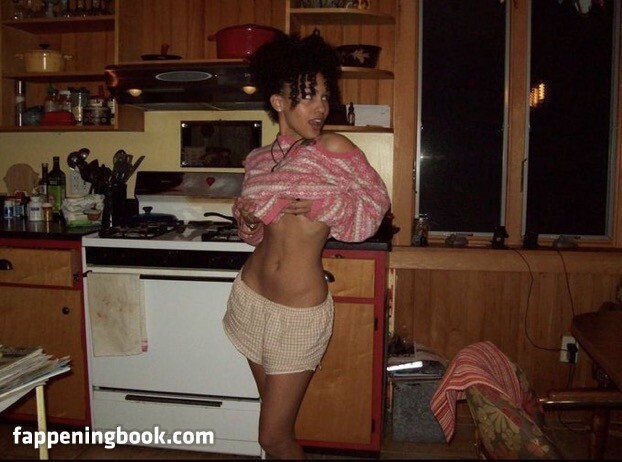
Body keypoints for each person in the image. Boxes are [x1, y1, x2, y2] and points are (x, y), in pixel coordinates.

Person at [222, 31, 390, 459]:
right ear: (278, 101)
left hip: (299, 312)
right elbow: (257, 235)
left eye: (324, 96)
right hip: (250, 298)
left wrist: (322, 204)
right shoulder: (258, 160)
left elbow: (375, 207)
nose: (321, 108)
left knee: (272, 437)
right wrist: (249, 221)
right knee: (273, 426)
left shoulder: (334, 148)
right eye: (309, 96)